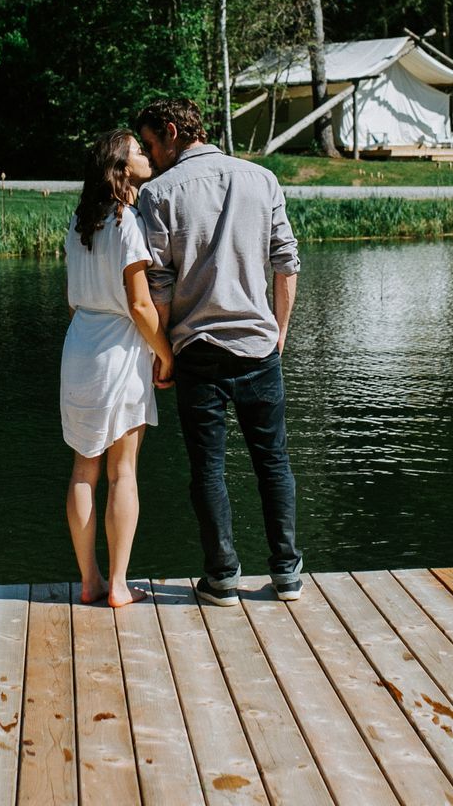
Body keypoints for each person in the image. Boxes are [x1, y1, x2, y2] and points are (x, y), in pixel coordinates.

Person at [133, 97, 304, 606]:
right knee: (273, 461)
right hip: (258, 346)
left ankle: (222, 577)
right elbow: (287, 263)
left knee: (208, 468)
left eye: (149, 144)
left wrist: (161, 354)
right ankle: (288, 574)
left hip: (198, 349)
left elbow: (158, 285)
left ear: (170, 132)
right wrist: (280, 331)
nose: (149, 155)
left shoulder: (159, 192)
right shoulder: (262, 179)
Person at [60, 129, 175, 608]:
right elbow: (140, 304)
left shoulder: (78, 221)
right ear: (121, 168)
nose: (147, 156)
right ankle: (120, 585)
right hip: (119, 352)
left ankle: (89, 581)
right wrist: (167, 355)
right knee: (122, 472)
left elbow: (72, 301)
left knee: (83, 469)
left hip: (79, 347)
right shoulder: (127, 222)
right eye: (138, 152)